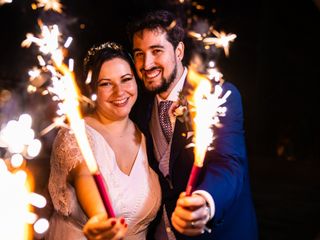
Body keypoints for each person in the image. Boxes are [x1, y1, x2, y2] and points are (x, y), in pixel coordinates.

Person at [127, 10, 258, 240]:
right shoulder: (138, 108)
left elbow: (229, 163)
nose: (146, 64)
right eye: (139, 54)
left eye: (156, 51)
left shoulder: (218, 96)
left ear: (179, 51)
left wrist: (205, 201)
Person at [45, 42, 161, 240]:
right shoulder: (75, 136)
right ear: (91, 89)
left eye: (126, 79)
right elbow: (86, 177)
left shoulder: (142, 133)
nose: (119, 91)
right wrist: (100, 219)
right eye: (106, 83)